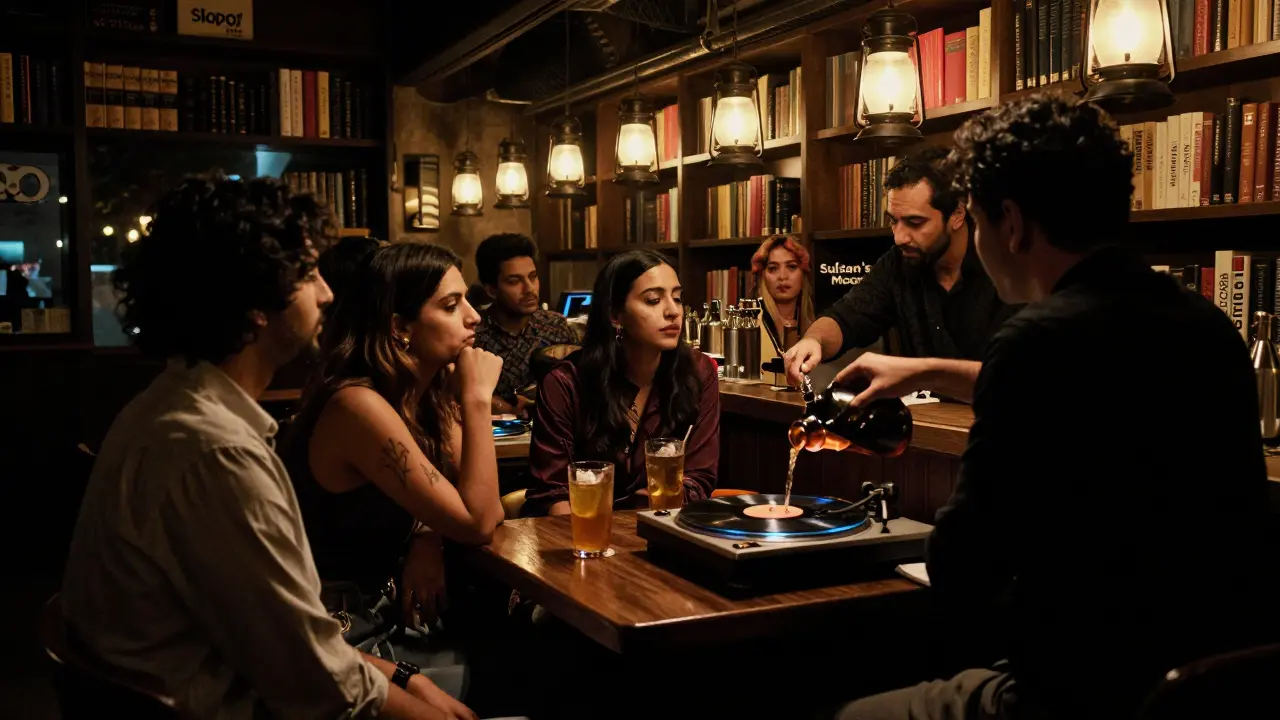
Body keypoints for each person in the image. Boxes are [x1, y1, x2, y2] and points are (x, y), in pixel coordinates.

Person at [835, 95, 1276, 720]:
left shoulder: (1036, 342)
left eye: (981, 223)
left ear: (1010, 223)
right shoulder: (1207, 324)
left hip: (1088, 690)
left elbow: (963, 570)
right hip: (1220, 685)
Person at [61, 174, 476, 720]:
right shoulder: (215, 451)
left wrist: (400, 675)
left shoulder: (172, 405)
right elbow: (311, 682)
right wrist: (423, 705)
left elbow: (295, 639)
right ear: (256, 303)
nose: (327, 292)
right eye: (307, 275)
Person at [279, 242, 507, 701]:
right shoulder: (357, 405)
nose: (474, 317)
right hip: (333, 638)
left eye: (467, 299)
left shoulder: (421, 393)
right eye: (451, 304)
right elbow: (481, 522)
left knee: (523, 649)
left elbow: (479, 506)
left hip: (381, 616)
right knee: (514, 672)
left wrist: (427, 533)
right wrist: (477, 400)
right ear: (400, 327)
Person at [784, 145, 1017, 398]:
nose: (899, 237)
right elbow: (848, 316)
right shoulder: (899, 263)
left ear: (958, 214)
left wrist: (916, 372)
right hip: (924, 427)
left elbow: (1019, 377)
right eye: (894, 221)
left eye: (915, 223)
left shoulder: (1007, 266)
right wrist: (814, 340)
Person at [524, 249, 720, 516]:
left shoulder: (699, 372)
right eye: (653, 300)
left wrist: (664, 499)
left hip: (661, 527)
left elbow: (700, 477)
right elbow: (552, 494)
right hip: (578, 533)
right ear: (615, 315)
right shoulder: (565, 383)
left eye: (677, 298)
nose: (673, 311)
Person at [473, 233, 578, 419]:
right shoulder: (473, 333)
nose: (529, 289)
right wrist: (499, 405)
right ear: (491, 289)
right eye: (514, 281)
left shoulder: (556, 327)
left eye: (533, 277)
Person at [751, 234, 816, 355]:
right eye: (773, 268)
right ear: (762, 276)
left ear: (803, 274)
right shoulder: (751, 326)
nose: (782, 276)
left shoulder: (819, 325)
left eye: (791, 267)